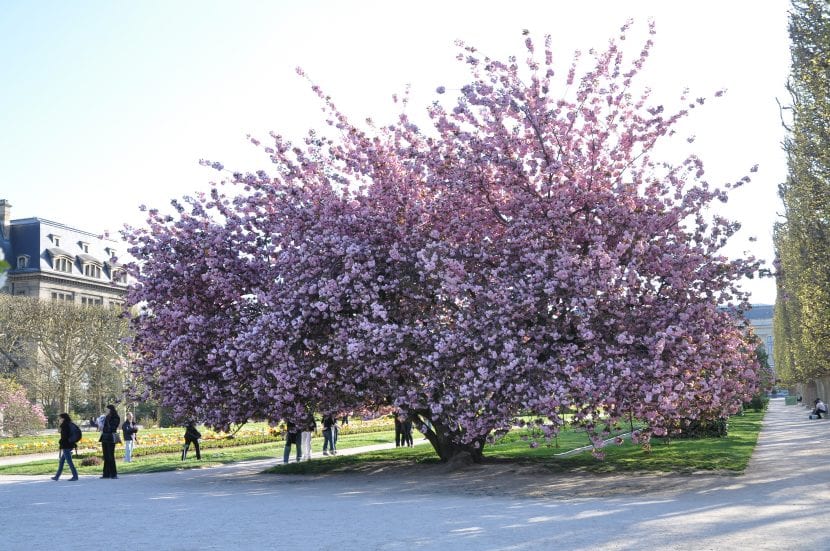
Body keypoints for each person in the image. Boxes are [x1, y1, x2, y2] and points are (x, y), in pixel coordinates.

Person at [51, 413, 79, 481]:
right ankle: (57, 476)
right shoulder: (70, 424)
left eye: (59, 418)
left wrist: (61, 442)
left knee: (69, 462)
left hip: (66, 445)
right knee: (62, 461)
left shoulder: (64, 425)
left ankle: (75, 476)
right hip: (70, 444)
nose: (59, 419)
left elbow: (64, 437)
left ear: (63, 418)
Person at [99, 404, 120, 479]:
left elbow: (113, 427)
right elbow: (103, 427)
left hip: (111, 437)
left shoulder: (115, 417)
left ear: (110, 409)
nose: (105, 410)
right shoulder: (105, 417)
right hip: (104, 437)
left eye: (107, 409)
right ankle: (106, 474)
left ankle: (114, 474)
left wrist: (106, 425)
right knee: (106, 456)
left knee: (111, 456)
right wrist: (101, 425)